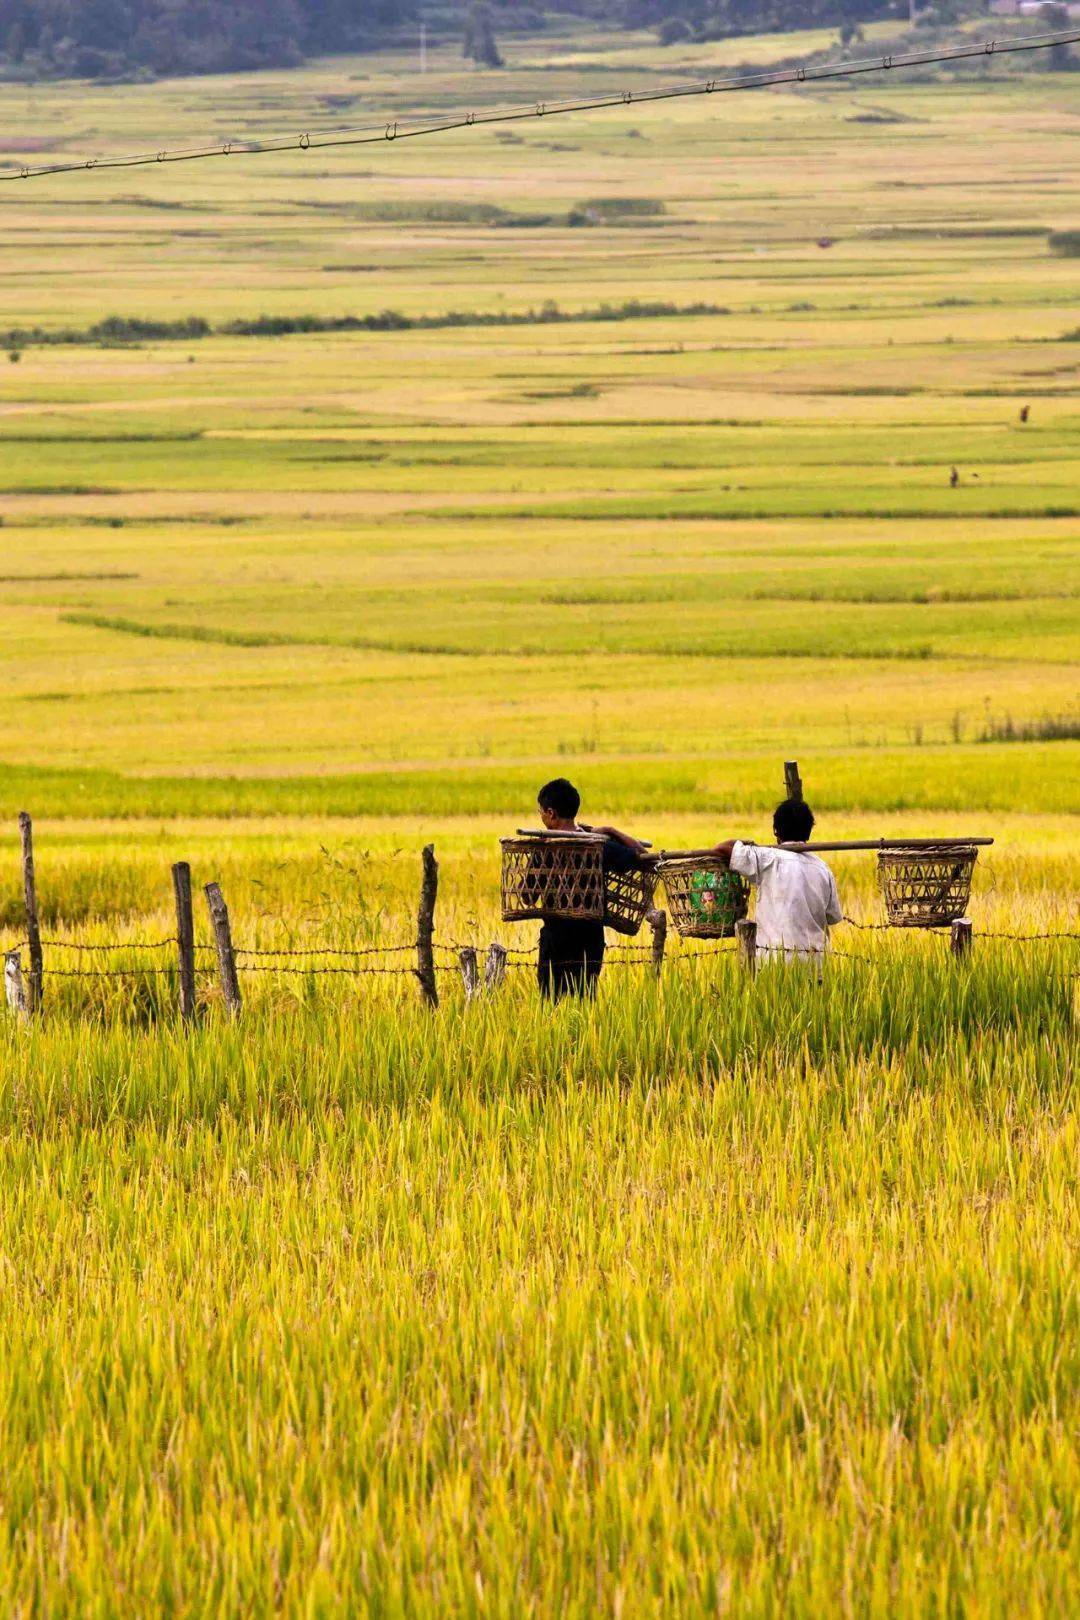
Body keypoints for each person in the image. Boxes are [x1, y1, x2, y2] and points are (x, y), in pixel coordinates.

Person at [534, 778, 649, 1001]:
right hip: (589, 939)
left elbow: (528, 896)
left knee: (549, 1007)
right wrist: (609, 830)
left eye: (541, 812)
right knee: (585, 1002)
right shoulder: (597, 845)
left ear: (551, 813)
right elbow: (640, 854)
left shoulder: (543, 848)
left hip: (554, 939)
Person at [712, 798, 842, 962]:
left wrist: (745, 844)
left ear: (776, 831)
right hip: (817, 965)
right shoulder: (823, 869)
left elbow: (721, 849)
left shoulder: (766, 858)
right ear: (809, 830)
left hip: (774, 963)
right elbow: (832, 916)